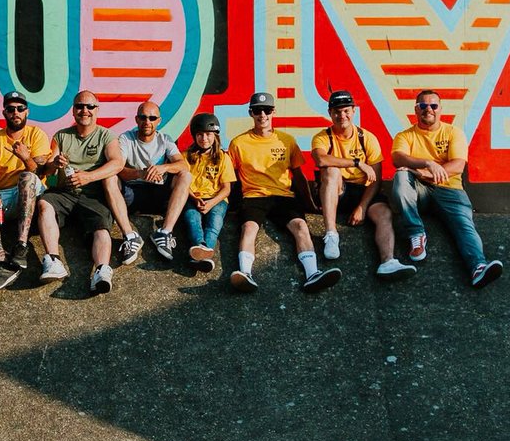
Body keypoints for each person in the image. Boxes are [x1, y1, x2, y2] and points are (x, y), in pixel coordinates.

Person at [227, 92, 341, 294]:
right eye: (257, 110)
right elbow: (231, 176)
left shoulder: (286, 140)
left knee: (300, 226)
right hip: (253, 196)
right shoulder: (238, 143)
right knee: (249, 228)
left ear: (274, 112)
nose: (263, 115)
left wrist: (310, 204)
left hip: (283, 196)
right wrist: (232, 206)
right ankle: (245, 273)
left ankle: (312, 274)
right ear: (250, 113)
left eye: (267, 110)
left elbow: (298, 176)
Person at [390, 90, 503, 288]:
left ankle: (478, 267)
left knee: (463, 225)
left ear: (440, 109)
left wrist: (425, 172)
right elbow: (398, 158)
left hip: (450, 191)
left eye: (433, 106)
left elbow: (458, 165)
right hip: (419, 192)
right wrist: (428, 163)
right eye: (423, 106)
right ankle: (417, 234)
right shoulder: (405, 136)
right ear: (416, 110)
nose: (429, 110)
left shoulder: (453, 132)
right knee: (400, 175)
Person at [310, 90, 415, 281]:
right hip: (337, 190)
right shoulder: (323, 137)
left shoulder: (367, 138)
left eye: (346, 111)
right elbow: (320, 159)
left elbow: (376, 178)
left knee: (384, 213)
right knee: (331, 171)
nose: (342, 115)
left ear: (354, 111)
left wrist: (362, 206)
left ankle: (388, 261)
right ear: (330, 113)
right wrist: (357, 163)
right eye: (337, 111)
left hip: (363, 191)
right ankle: (331, 235)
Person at [37, 91, 125, 294]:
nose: (84, 110)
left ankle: (102, 270)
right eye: (79, 106)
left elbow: (117, 163)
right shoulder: (61, 135)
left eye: (89, 107)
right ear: (73, 110)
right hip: (65, 193)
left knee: (102, 227)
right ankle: (53, 261)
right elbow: (48, 169)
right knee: (44, 203)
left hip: (93, 193)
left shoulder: (106, 135)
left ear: (97, 110)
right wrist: (54, 163)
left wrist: (89, 176)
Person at [0, 91, 50, 292]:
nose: (16, 112)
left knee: (26, 176)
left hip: (33, 192)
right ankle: (3, 263)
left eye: (20, 108)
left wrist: (26, 158)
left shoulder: (36, 134)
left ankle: (21, 246)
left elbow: (40, 172)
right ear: (4, 112)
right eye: (11, 109)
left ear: (27, 111)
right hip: (7, 195)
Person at [116, 101, 192, 261]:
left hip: (159, 193)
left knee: (185, 175)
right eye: (143, 117)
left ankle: (164, 233)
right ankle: (130, 236)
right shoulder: (126, 138)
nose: (147, 122)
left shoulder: (165, 140)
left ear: (159, 120)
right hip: (133, 193)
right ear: (136, 119)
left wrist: (163, 168)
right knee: (110, 177)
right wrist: (141, 173)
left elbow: (183, 164)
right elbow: (118, 169)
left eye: (152, 118)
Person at [181, 112, 234, 272]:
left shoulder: (223, 157)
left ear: (215, 136)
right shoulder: (185, 156)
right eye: (200, 134)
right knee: (192, 219)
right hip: (192, 197)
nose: (204, 138)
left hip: (216, 199)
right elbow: (182, 184)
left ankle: (204, 253)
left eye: (208, 134)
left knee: (214, 224)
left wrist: (211, 203)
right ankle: (200, 247)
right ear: (194, 136)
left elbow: (226, 189)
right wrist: (194, 199)